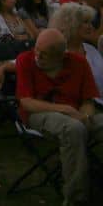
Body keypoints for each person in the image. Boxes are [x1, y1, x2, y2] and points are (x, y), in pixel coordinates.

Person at [15, 28, 103, 206]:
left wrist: (85, 115)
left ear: (62, 55)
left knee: (84, 125)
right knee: (73, 129)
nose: (37, 56)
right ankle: (76, 198)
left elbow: (87, 100)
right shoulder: (25, 60)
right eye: (37, 50)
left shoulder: (78, 63)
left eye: (44, 54)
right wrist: (66, 110)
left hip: (76, 113)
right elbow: (27, 103)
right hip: (39, 114)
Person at [50, 3, 103, 94]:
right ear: (71, 24)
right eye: (85, 22)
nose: (91, 27)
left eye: (91, 22)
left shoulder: (91, 49)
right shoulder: (58, 53)